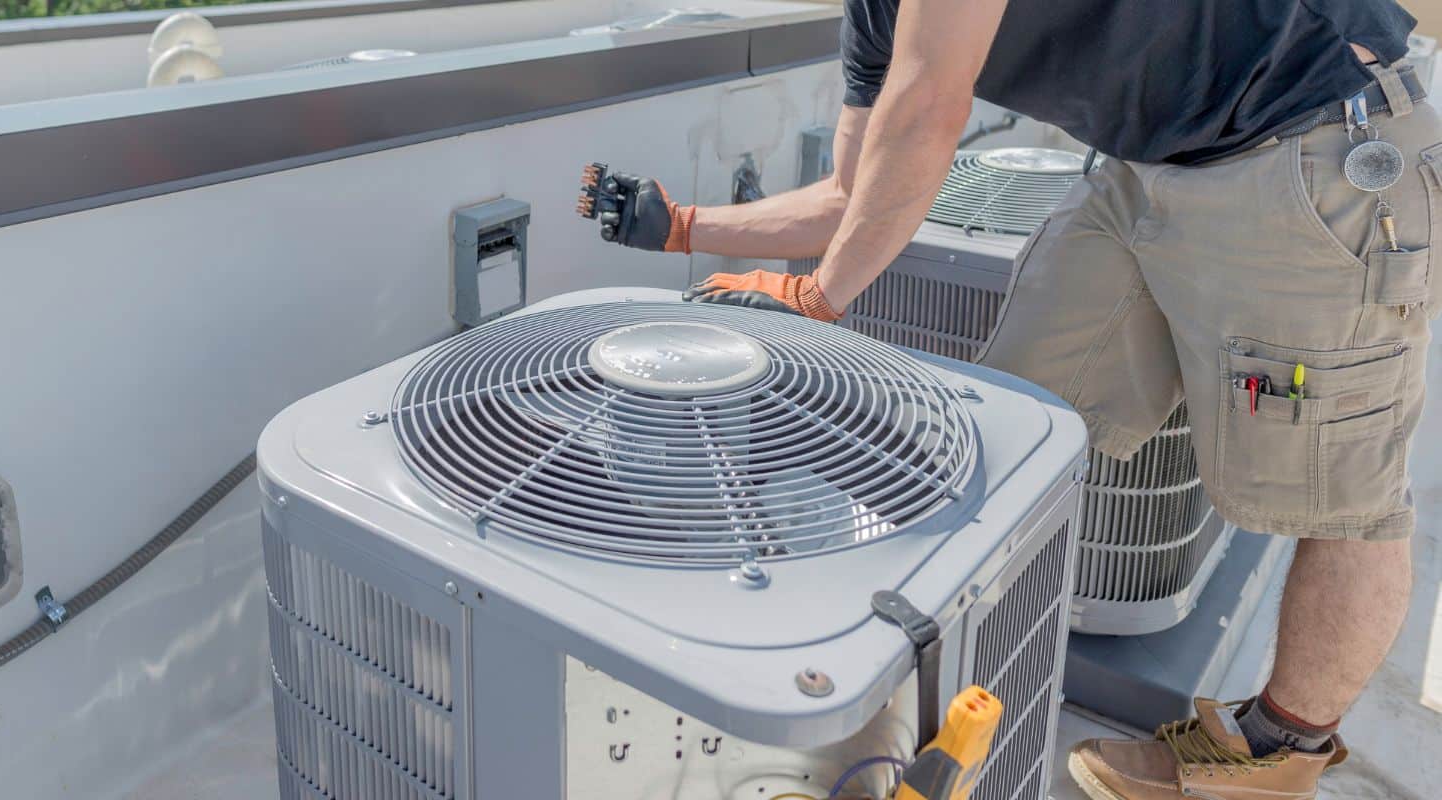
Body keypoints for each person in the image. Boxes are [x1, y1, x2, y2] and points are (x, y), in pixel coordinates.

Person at [583, 1, 1436, 797]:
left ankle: (1278, 748)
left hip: (1313, 133)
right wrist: (681, 225)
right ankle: (950, 669)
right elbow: (853, 195)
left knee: (1341, 497)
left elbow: (925, 118)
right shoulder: (875, 15)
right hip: (1151, 162)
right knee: (1016, 415)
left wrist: (815, 299)